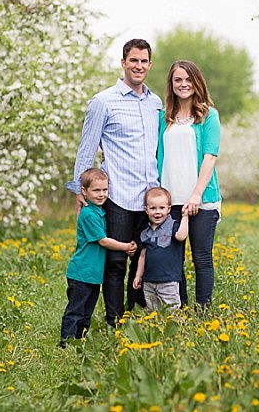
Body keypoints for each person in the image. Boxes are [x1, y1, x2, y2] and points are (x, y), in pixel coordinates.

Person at [66, 39, 162, 326]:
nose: (139, 66)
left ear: (149, 64)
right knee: (116, 263)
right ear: (123, 63)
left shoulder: (155, 103)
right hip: (118, 195)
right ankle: (115, 322)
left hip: (148, 198)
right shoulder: (103, 101)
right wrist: (79, 191)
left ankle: (136, 317)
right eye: (134, 60)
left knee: (143, 260)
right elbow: (87, 148)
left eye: (144, 61)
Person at [157, 60, 221, 308]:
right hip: (171, 200)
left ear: (197, 82)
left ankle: (203, 311)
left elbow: (210, 157)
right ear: (171, 84)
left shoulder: (208, 116)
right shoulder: (165, 117)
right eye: (177, 80)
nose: (183, 84)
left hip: (201, 199)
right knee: (175, 259)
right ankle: (180, 310)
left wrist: (196, 194)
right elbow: (159, 157)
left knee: (201, 257)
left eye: (188, 79)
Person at [60, 168, 137, 346]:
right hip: (81, 273)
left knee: (87, 310)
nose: (101, 194)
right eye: (96, 190)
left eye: (105, 190)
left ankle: (79, 339)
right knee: (76, 309)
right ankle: (66, 342)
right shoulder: (89, 214)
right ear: (84, 192)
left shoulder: (100, 211)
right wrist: (126, 247)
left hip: (93, 275)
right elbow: (102, 241)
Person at [132, 187, 189, 313]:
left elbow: (181, 236)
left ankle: (175, 330)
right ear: (146, 210)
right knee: (153, 311)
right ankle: (156, 331)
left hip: (169, 280)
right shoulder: (145, 233)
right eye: (153, 208)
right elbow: (142, 256)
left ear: (168, 209)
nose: (157, 212)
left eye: (161, 208)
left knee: (172, 311)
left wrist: (185, 217)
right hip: (149, 281)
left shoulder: (173, 225)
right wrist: (138, 276)